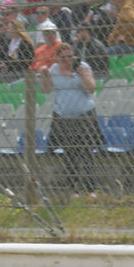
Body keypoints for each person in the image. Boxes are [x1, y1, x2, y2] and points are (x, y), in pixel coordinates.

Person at [38, 42, 100, 197]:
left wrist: (81, 74)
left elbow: (91, 88)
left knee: (86, 153)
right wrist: (44, 75)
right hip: (64, 118)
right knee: (69, 154)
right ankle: (73, 190)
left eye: (70, 57)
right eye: (63, 57)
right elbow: (46, 89)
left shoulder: (83, 66)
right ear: (57, 57)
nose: (67, 60)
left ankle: (90, 189)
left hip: (84, 115)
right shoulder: (53, 70)